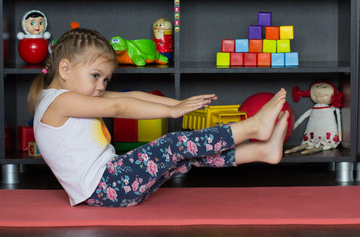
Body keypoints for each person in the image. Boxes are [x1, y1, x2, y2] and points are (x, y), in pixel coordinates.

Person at [28, 28, 289, 207]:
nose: (102, 86)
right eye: (96, 76)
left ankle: (262, 151)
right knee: (175, 143)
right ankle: (254, 126)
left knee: (185, 157)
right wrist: (172, 111)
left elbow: (134, 96)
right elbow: (120, 107)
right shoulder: (60, 102)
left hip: (113, 186)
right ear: (65, 69)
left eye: (106, 79)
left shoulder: (72, 97)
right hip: (106, 187)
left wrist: (180, 104)